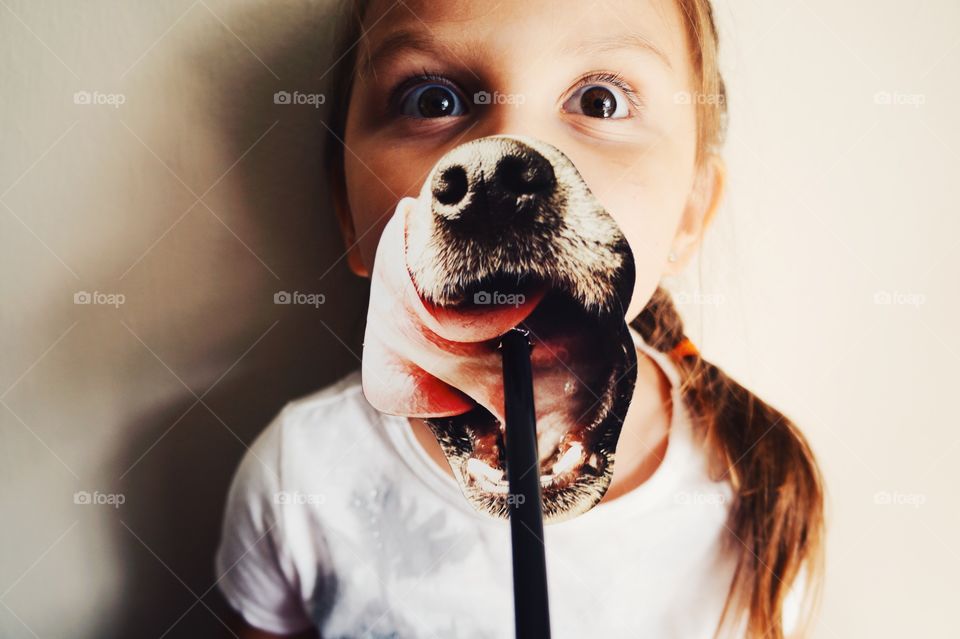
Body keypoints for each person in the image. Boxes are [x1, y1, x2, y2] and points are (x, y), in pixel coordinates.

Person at [215, 1, 825, 637]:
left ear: (691, 214)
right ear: (349, 212)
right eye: (431, 100)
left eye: (600, 101)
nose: (504, 156)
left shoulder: (755, 493)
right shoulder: (302, 479)